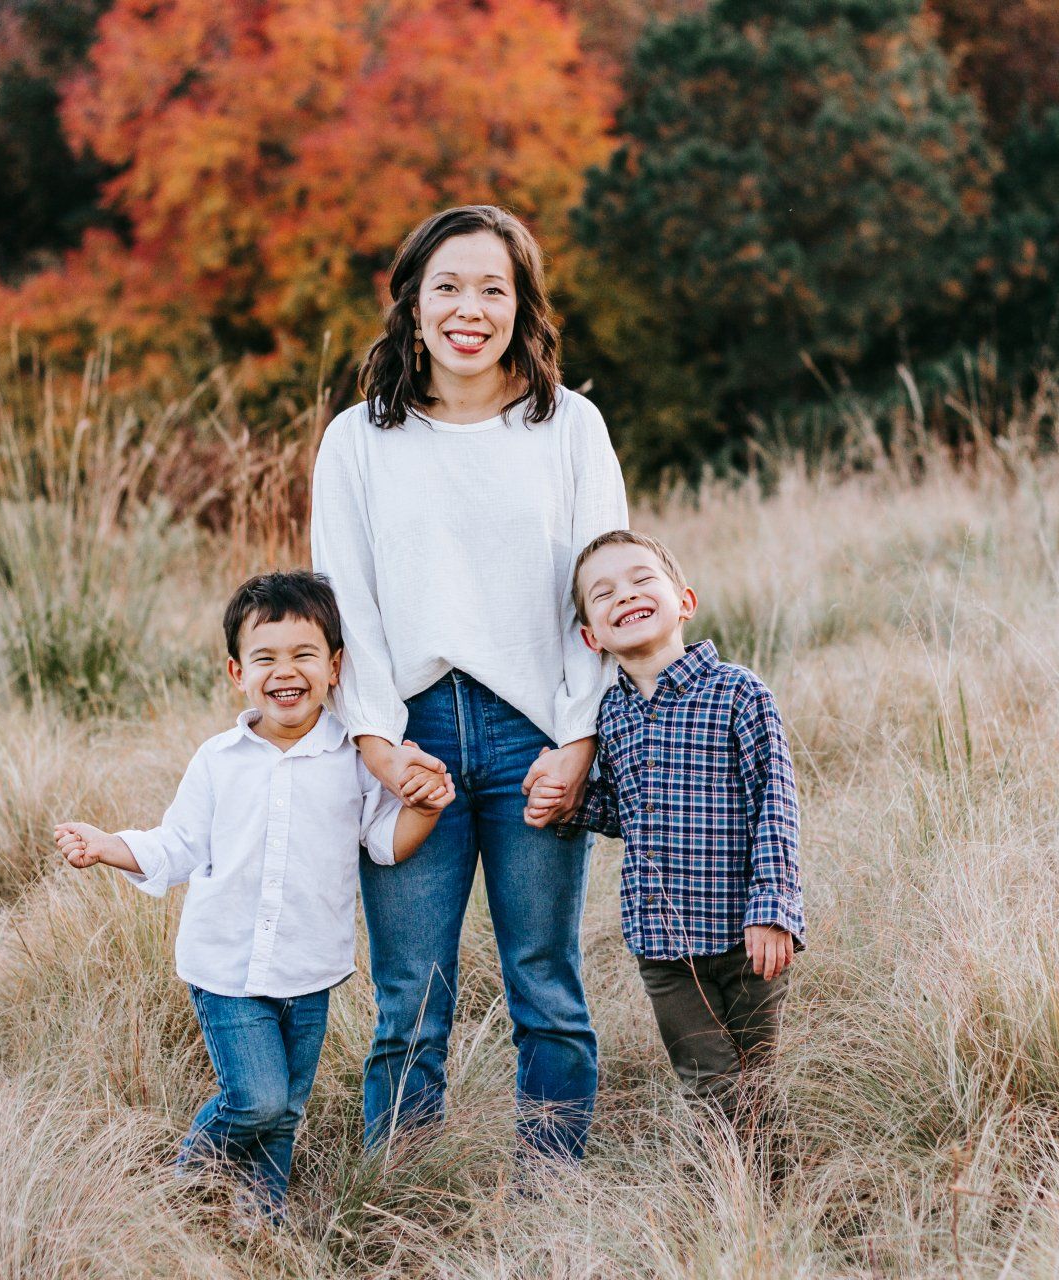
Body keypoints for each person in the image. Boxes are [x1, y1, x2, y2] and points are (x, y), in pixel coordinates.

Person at [311, 205, 629, 1164]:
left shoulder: (570, 427)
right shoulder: (358, 441)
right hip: (409, 739)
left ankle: (555, 1204)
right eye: (447, 286)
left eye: (494, 288)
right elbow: (344, 601)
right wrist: (373, 742)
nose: (469, 309)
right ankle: (402, 1198)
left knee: (547, 986)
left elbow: (602, 585)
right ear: (412, 303)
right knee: (410, 998)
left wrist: (579, 741)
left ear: (521, 305)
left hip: (537, 733)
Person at [53, 572, 452, 1215]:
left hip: (309, 968)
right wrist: (107, 844)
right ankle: (181, 1183)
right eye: (265, 657)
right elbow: (178, 844)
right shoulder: (219, 759)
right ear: (237, 671)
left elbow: (387, 842)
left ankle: (259, 1220)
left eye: (304, 655)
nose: (284, 672)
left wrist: (425, 807)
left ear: (336, 667)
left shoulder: (354, 761)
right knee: (257, 1099)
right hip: (226, 967)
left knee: (287, 1111)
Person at [527, 530, 804, 1123]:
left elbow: (775, 805)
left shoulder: (738, 693)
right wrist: (569, 804)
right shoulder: (612, 714)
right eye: (602, 594)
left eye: (640, 579)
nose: (624, 595)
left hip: (745, 935)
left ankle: (774, 1196)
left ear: (685, 600)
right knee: (708, 1081)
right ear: (591, 636)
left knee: (756, 1076)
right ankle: (730, 1199)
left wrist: (773, 909)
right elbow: (631, 813)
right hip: (664, 946)